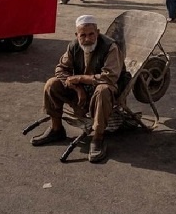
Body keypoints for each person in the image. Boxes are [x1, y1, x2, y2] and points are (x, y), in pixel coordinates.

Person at [31, 15, 128, 163]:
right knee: (52, 84)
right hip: (83, 89)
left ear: (98, 32)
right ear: (77, 35)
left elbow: (109, 77)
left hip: (107, 88)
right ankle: (56, 129)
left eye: (91, 34)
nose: (87, 39)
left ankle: (98, 137)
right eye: (83, 35)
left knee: (102, 90)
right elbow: (61, 69)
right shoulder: (74, 46)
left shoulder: (110, 47)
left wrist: (80, 79)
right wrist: (78, 88)